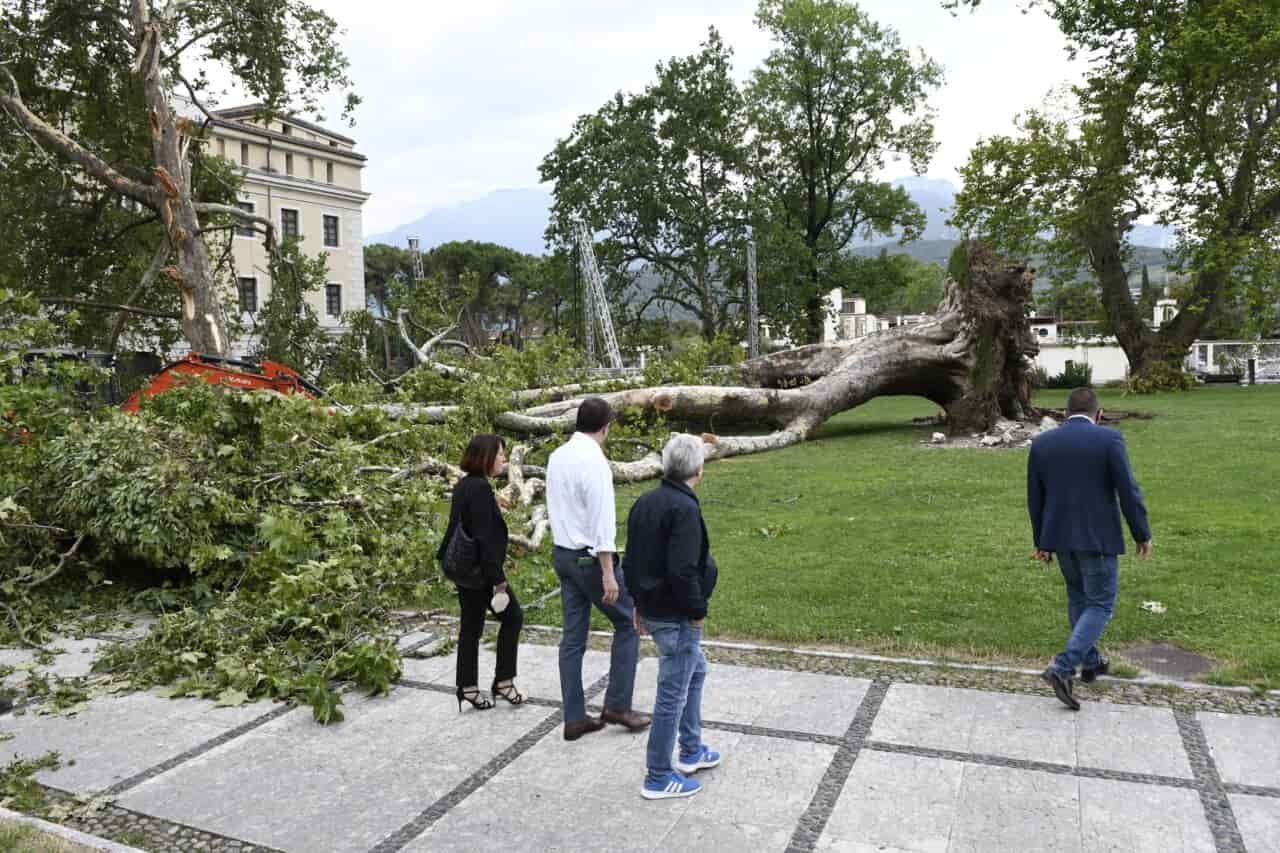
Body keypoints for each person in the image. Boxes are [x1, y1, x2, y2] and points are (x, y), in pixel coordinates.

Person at [1028, 387, 1152, 710]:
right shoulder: (1109, 440)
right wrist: (1141, 532)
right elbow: (1128, 490)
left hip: (1060, 537)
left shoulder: (1043, 443)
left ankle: (1092, 660)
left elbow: (1035, 498)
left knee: (1078, 597)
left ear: (1064, 413)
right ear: (1098, 414)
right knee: (1100, 604)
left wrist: (1041, 541)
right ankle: (1063, 667)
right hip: (1096, 538)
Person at [623, 434, 720, 800]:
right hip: (676, 614)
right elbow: (682, 570)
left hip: (655, 607)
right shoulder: (684, 509)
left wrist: (637, 602)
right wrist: (697, 612)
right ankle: (659, 775)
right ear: (699, 469)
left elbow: (632, 560)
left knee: (696, 671)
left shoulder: (645, 501)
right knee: (672, 692)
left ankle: (691, 750)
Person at [545, 397, 648, 741]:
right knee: (627, 621)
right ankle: (617, 704)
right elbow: (602, 521)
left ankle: (574, 717)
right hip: (589, 559)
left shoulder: (556, 457)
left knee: (572, 638)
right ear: (606, 427)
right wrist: (607, 571)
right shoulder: (595, 462)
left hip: (562, 553)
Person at [437, 433, 525, 712]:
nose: (503, 460)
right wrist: (498, 581)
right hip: (482, 574)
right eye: (500, 454)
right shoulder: (480, 490)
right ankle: (504, 681)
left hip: (464, 570)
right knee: (513, 617)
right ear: (487, 456)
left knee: (471, 627)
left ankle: (468, 687)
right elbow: (484, 539)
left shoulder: (464, 485)